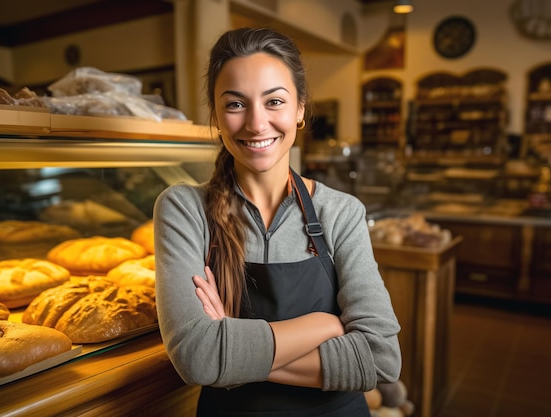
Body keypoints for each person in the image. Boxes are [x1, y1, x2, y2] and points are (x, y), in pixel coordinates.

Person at [154, 26, 401, 416]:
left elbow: (380, 358)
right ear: (216, 115)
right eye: (235, 104)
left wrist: (233, 359)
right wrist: (323, 324)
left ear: (299, 109)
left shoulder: (342, 212)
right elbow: (197, 358)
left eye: (274, 101)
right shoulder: (185, 209)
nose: (255, 123)